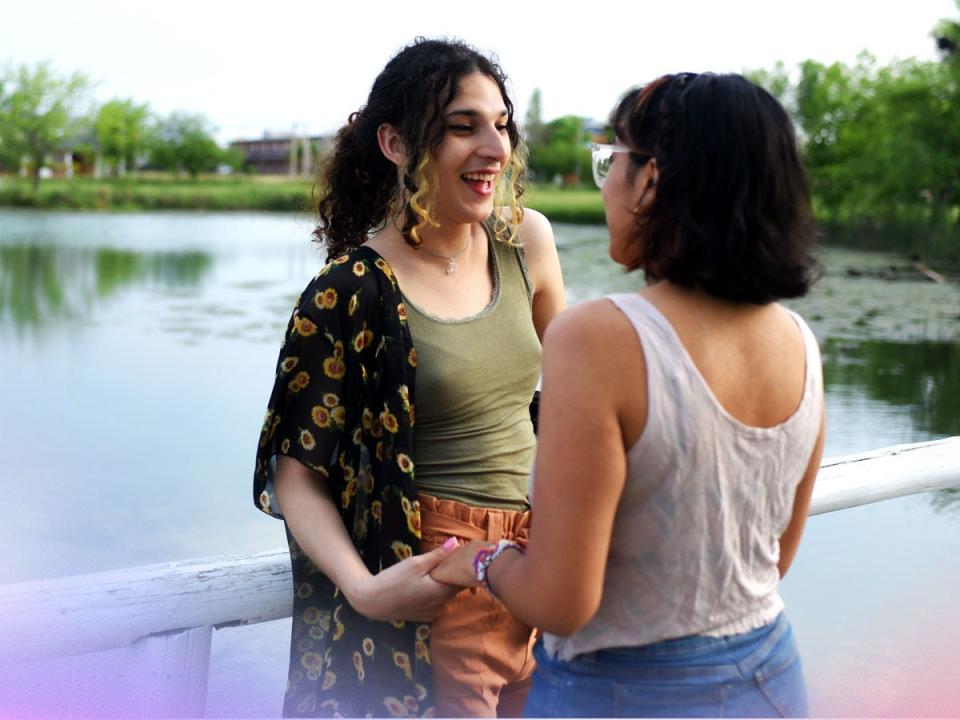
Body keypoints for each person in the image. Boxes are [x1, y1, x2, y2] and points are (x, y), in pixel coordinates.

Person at [431, 72, 826, 717]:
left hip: (624, 691)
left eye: (611, 160)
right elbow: (771, 559)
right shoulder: (798, 341)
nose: (607, 182)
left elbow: (561, 601)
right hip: (769, 672)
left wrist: (482, 560)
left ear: (650, 180)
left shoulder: (598, 339)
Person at [253, 38, 565, 718]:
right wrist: (363, 588)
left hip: (547, 575)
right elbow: (296, 471)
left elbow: (571, 400)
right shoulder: (350, 290)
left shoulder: (527, 244)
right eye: (463, 126)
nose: (494, 148)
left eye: (501, 124)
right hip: (438, 579)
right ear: (394, 143)